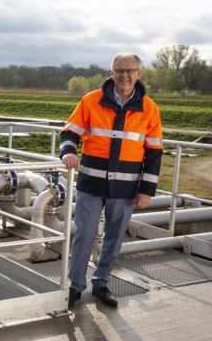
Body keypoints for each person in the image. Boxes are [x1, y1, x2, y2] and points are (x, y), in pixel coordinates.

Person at [60, 53, 163, 308]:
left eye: (130, 70)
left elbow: (154, 152)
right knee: (84, 234)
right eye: (119, 70)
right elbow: (69, 132)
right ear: (111, 72)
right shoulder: (91, 100)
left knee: (114, 236)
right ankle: (75, 286)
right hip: (91, 184)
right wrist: (69, 150)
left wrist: (146, 190)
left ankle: (101, 283)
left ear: (139, 74)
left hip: (125, 188)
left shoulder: (149, 108)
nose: (124, 75)